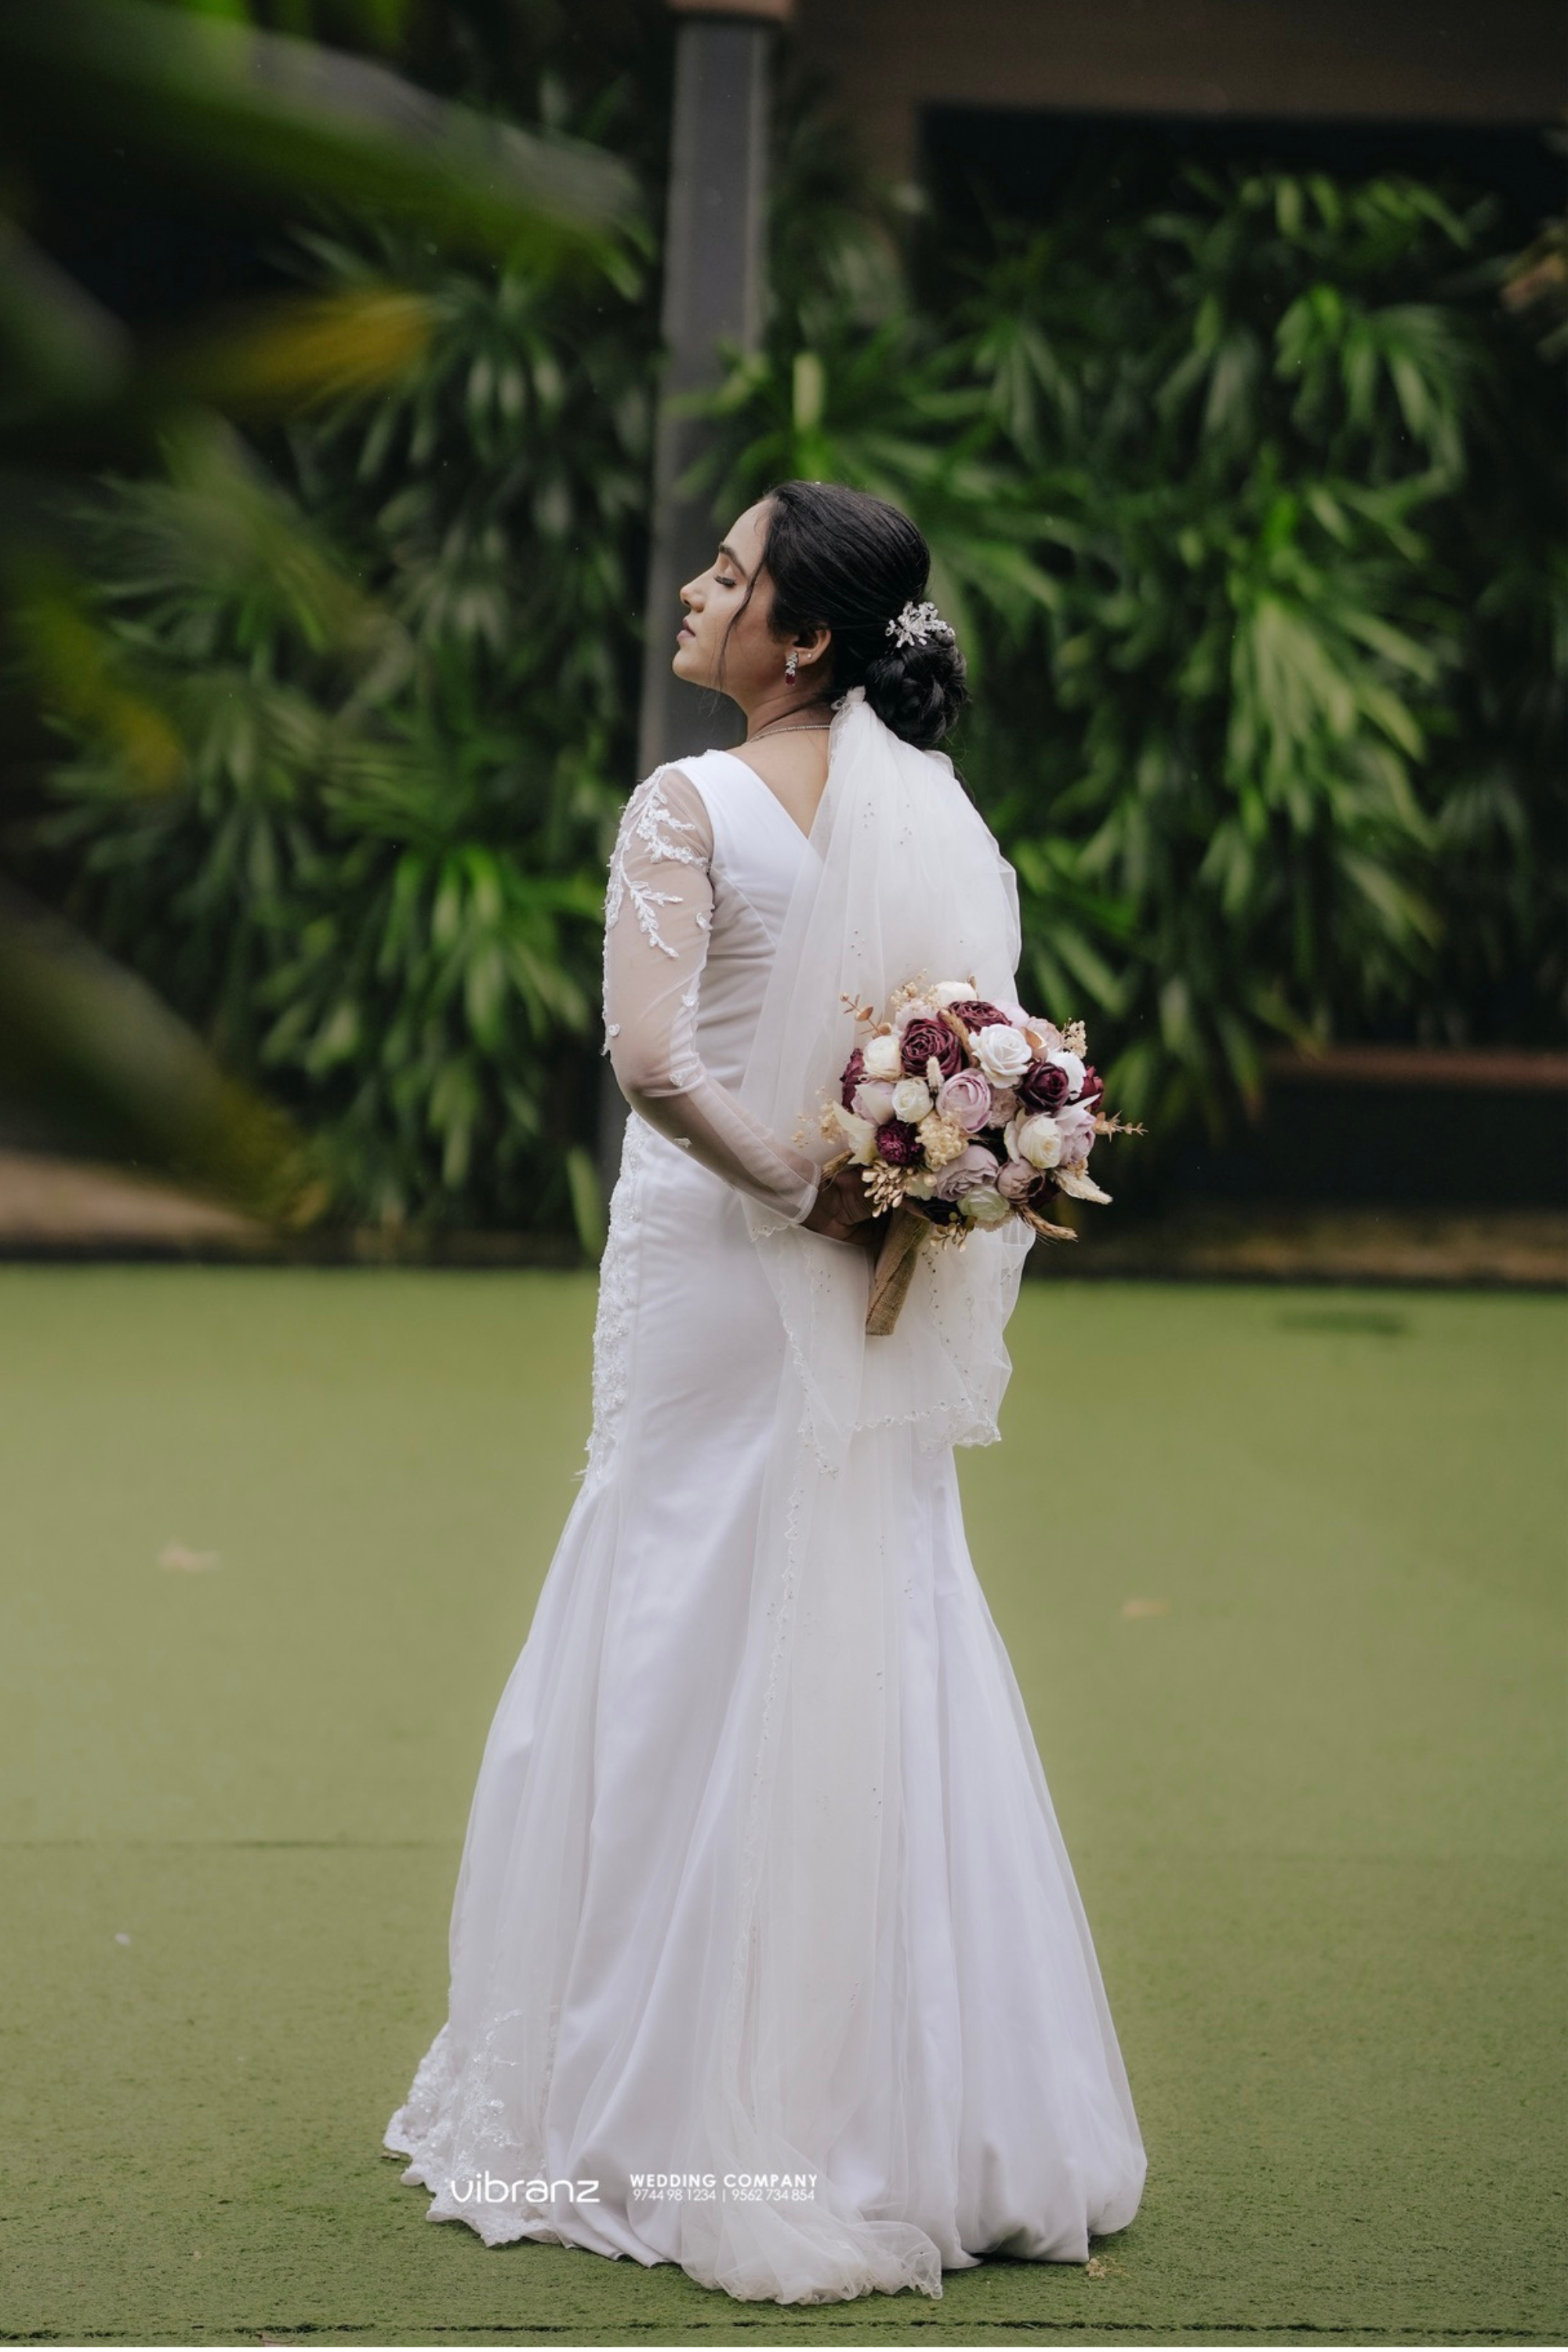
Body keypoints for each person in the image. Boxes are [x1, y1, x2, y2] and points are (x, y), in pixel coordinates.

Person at [383, 481, 1147, 2306]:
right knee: (867, 1605)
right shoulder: (937, 819)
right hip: (840, 1283)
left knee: (669, 1603)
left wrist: (795, 1180)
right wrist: (885, 1188)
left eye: (725, 577)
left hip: (728, 1253)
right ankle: (924, 2106)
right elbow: (965, 1054)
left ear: (799, 638)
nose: (691, 590)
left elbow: (653, 1067)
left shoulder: (694, 804)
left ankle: (654, 2097)